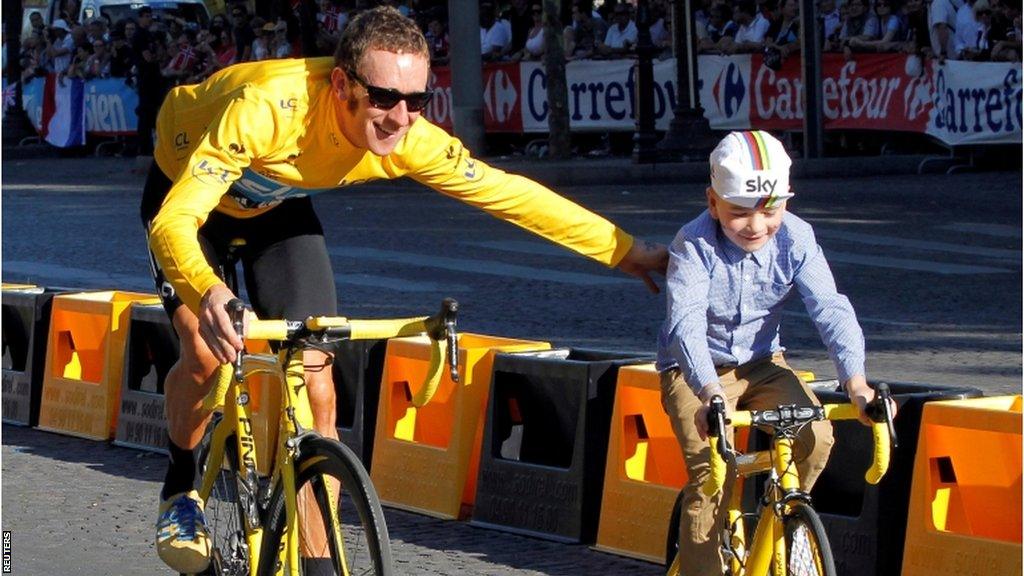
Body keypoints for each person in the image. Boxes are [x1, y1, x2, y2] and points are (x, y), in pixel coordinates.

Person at [142, 7, 668, 575]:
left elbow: (510, 194)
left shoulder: (409, 136)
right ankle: (181, 488)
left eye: (416, 101)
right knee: (202, 346)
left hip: (276, 208)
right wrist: (210, 291)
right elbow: (174, 224)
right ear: (341, 85)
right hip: (188, 198)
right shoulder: (266, 110)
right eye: (385, 98)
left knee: (317, 383)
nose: (400, 119)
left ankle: (320, 563)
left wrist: (625, 251)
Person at [656, 130, 894, 576]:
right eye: (739, 213)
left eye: (771, 211)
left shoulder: (798, 237)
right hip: (695, 371)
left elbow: (830, 308)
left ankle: (789, 519)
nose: (757, 226)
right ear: (712, 202)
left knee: (816, 437)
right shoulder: (693, 243)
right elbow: (684, 322)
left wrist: (856, 383)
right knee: (713, 476)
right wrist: (709, 393)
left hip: (763, 362)